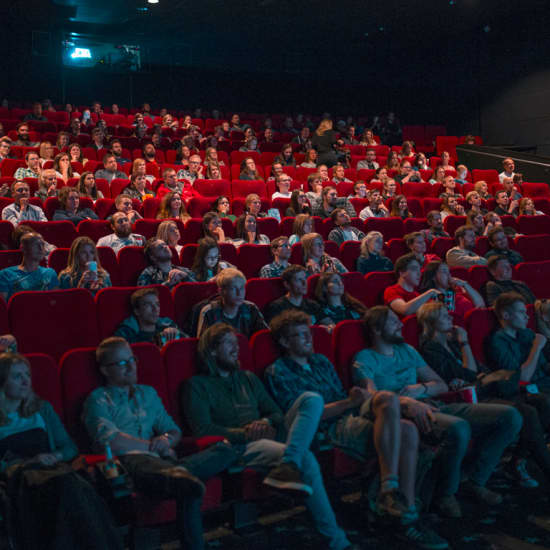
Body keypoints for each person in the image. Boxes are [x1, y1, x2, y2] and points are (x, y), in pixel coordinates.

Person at [265, 311, 448, 548]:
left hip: (349, 413)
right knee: (408, 432)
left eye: (308, 333)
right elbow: (303, 418)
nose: (309, 339)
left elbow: (345, 399)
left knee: (387, 399)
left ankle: (389, 492)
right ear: (284, 342)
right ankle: (405, 516)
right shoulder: (278, 371)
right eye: (300, 336)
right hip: (328, 426)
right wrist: (349, 403)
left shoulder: (320, 361)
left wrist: (353, 401)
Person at [185, 323, 358, 550]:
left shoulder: (247, 378)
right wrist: (245, 432)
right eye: (229, 343)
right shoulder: (196, 385)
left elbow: (276, 413)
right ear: (212, 350)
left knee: (312, 398)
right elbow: (203, 430)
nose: (236, 348)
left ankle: (288, 463)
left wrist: (265, 422)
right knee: (305, 459)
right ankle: (337, 541)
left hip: (271, 434)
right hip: (240, 446)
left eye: (237, 343)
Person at [353, 306, 522, 517]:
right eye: (393, 321)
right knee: (458, 428)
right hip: (407, 413)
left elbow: (440, 385)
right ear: (377, 330)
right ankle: (446, 495)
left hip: (434, 402)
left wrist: (421, 388)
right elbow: (372, 397)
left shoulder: (408, 350)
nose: (401, 324)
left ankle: (473, 479)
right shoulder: (365, 358)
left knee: (510, 417)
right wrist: (406, 400)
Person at [84, 337, 236, 549]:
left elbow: (174, 431)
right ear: (104, 370)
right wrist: (152, 446)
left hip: (162, 461)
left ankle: (181, 474)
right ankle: (181, 476)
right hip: (130, 464)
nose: (131, 366)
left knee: (225, 450)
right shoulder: (98, 399)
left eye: (132, 359)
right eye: (121, 363)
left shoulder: (148, 393)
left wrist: (165, 440)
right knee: (185, 484)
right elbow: (110, 441)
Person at [417, 301, 548, 488]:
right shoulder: (431, 348)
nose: (450, 317)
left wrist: (471, 367)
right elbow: (469, 372)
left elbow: (477, 370)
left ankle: (518, 460)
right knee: (528, 412)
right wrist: (465, 343)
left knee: (540, 401)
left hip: (486, 388)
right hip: (472, 397)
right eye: (444, 315)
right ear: (430, 321)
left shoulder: (451, 343)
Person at [0, 352, 123, 550]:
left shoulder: (42, 409)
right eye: (17, 376)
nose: (26, 381)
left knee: (74, 486)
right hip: (19, 479)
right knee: (70, 487)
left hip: (52, 471)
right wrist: (21, 464)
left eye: (27, 375)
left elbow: (69, 447)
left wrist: (54, 455)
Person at [487, 293, 550, 393]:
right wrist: (536, 347)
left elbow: (544, 365)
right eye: (521, 312)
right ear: (506, 315)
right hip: (531, 389)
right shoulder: (498, 342)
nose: (527, 317)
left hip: (545, 381)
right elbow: (522, 379)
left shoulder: (526, 333)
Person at [197, 268, 268, 337]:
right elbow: (204, 345)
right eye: (233, 288)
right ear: (221, 291)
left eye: (242, 288)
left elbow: (265, 337)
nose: (239, 293)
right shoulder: (209, 312)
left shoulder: (251, 308)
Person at [114, 288, 185, 344]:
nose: (155, 309)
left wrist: (177, 332)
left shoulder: (168, 325)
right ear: (137, 311)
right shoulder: (126, 335)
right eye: (148, 304)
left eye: (157, 304)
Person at [0, 232, 58, 300]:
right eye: (35, 244)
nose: (41, 248)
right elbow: (3, 308)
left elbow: (55, 303)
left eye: (42, 244)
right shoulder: (5, 275)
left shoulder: (50, 273)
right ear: (23, 248)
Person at [419, 260, 484, 320]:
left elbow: (481, 306)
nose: (449, 275)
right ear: (433, 276)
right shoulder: (428, 299)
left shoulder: (459, 294)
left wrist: (465, 284)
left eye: (449, 272)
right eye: (444, 271)